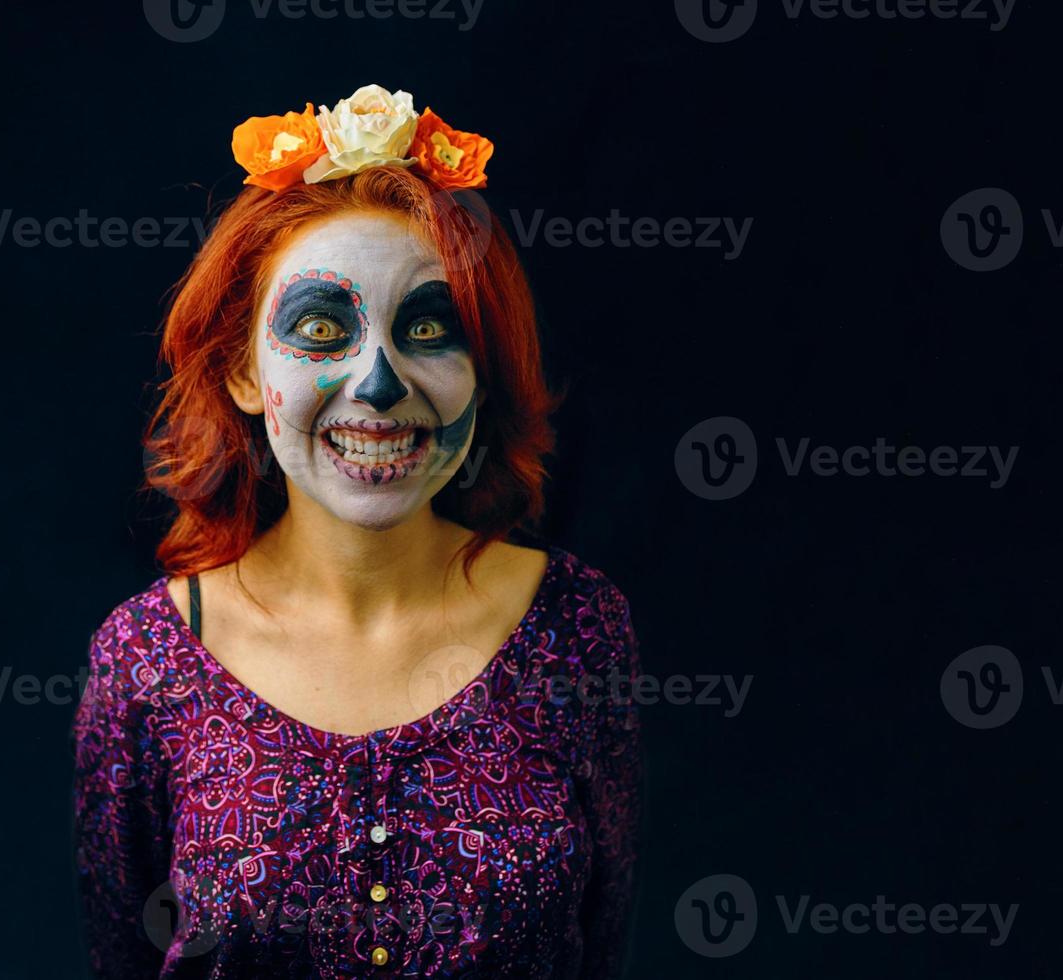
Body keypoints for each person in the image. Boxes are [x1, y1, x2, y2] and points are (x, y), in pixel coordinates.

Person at [71, 84, 642, 978]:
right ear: (242, 372)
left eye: (428, 327)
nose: (377, 383)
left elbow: (601, 948)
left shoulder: (576, 628)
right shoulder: (145, 658)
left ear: (482, 373)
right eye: (321, 327)